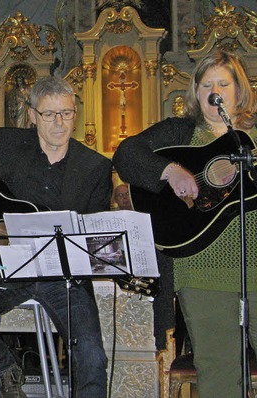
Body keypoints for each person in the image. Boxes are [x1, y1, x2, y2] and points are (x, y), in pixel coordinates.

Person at [0, 76, 110, 397]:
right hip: (6, 268)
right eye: (49, 114)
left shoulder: (95, 167)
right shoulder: (9, 148)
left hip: (61, 276)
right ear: (31, 116)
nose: (59, 123)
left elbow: (94, 233)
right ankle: (5, 367)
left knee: (92, 357)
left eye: (66, 113)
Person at [113, 50, 257, 397]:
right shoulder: (180, 131)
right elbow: (127, 154)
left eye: (223, 83)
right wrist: (170, 170)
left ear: (239, 89)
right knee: (219, 369)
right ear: (195, 91)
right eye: (206, 84)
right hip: (201, 269)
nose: (215, 92)